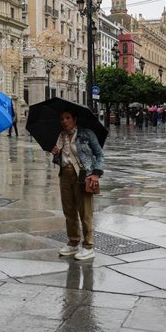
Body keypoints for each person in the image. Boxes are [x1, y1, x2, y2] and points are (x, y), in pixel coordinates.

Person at [51, 110, 104, 261]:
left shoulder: (86, 134)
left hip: (83, 174)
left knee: (85, 211)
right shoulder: (61, 136)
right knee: (69, 210)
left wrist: (96, 173)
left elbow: (100, 154)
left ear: (75, 119)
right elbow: (59, 160)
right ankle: (73, 242)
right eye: (62, 118)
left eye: (68, 118)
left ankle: (88, 246)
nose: (64, 121)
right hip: (65, 175)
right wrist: (55, 153)